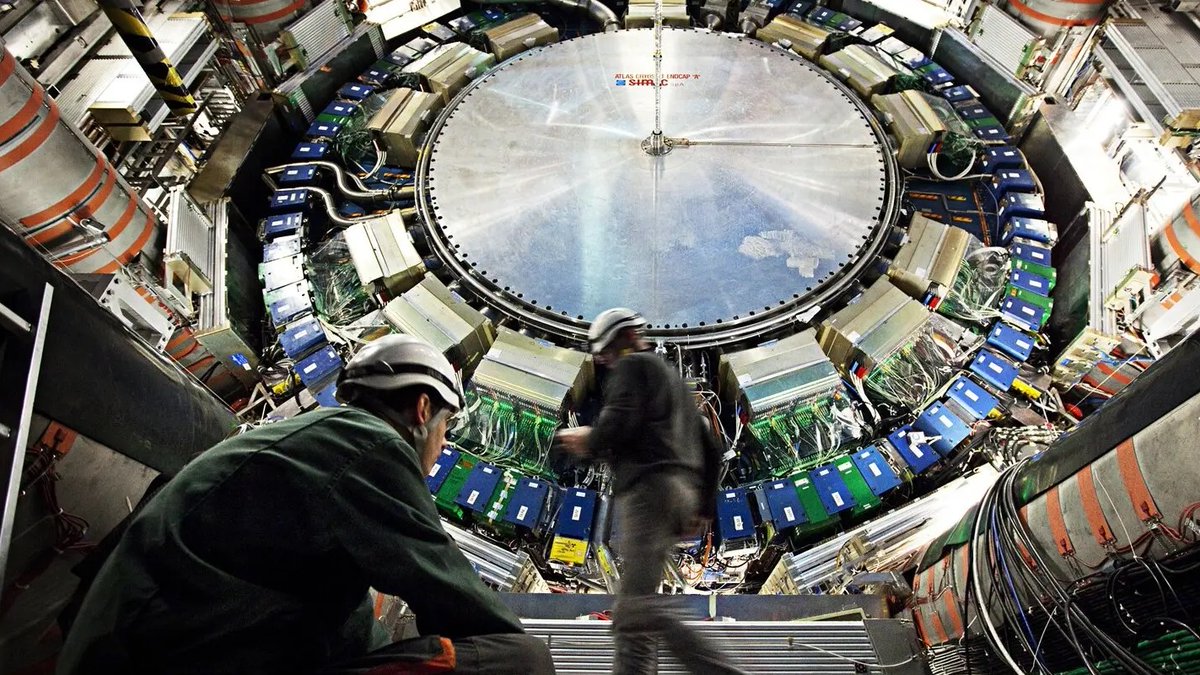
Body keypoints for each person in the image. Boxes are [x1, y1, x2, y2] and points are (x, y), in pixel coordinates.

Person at [57, 335, 555, 675]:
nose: (442, 446)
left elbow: (349, 630)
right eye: (444, 428)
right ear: (422, 408)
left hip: (138, 650)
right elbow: (459, 603)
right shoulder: (367, 447)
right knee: (519, 659)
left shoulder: (303, 438)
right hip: (174, 655)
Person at [556, 309, 745, 675]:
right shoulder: (672, 379)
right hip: (679, 492)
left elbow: (619, 425)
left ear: (620, 342)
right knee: (634, 615)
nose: (604, 360)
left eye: (605, 352)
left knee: (635, 610)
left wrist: (586, 438)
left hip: (648, 494)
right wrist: (704, 505)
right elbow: (710, 445)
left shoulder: (630, 369)